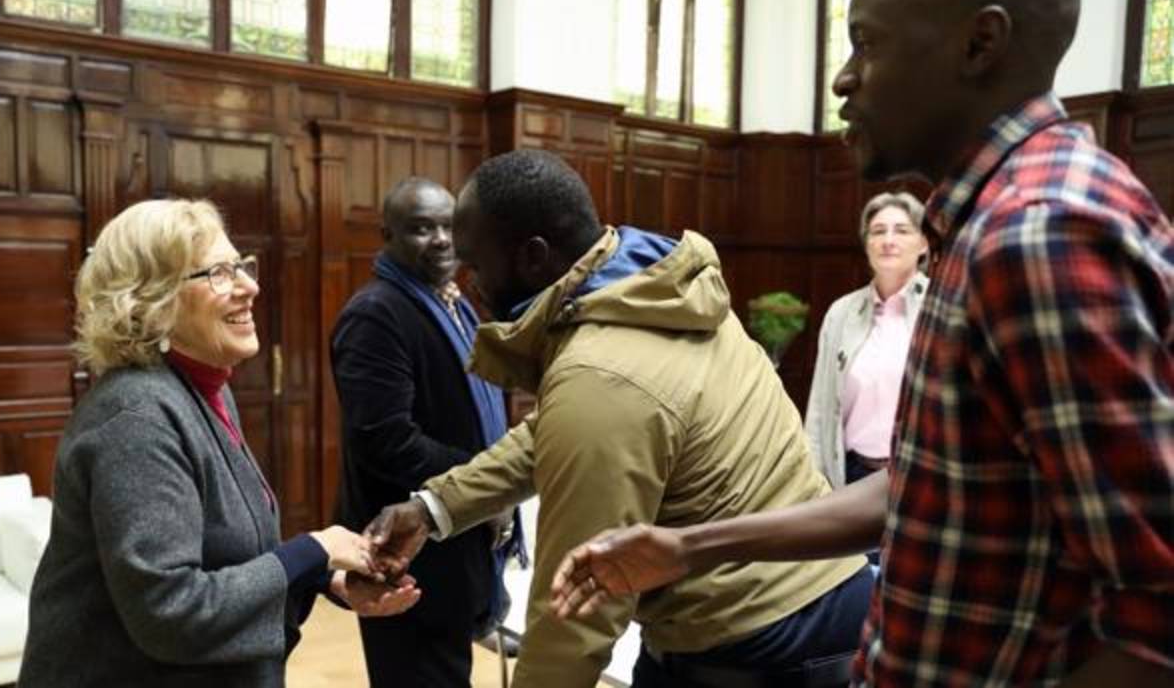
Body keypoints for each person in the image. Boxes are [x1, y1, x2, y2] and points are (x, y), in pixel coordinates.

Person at [551, 0, 1174, 686]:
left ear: (980, 44)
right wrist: (690, 546)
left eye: (867, 44)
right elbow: (920, 486)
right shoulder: (989, 223)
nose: (844, 77)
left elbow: (1154, 608)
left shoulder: (1034, 234)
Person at [366, 149, 873, 688]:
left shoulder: (599, 373)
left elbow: (577, 606)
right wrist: (434, 506)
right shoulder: (657, 287)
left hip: (757, 643)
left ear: (533, 257)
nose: (472, 286)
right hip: (824, 598)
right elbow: (552, 432)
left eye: (477, 264)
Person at [18, 199, 419, 688]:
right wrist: (312, 551)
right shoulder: (136, 418)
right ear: (151, 300)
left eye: (242, 266)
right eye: (218, 273)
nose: (250, 286)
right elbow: (171, 611)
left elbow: (227, 555)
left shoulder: (204, 389)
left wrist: (327, 580)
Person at [330, 177, 522, 687]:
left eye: (448, 226)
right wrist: (487, 480)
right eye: (421, 229)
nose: (440, 239)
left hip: (454, 540)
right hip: (410, 552)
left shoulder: (453, 301)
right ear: (387, 234)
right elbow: (384, 439)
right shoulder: (377, 314)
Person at [806, 191, 928, 490]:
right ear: (867, 243)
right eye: (878, 231)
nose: (888, 240)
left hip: (917, 475)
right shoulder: (841, 313)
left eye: (902, 230)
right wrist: (814, 480)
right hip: (853, 472)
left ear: (923, 243)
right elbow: (820, 408)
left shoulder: (939, 305)